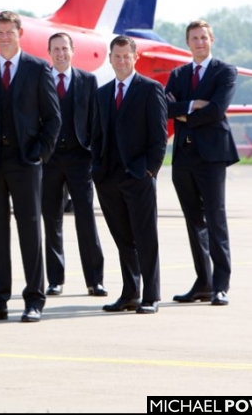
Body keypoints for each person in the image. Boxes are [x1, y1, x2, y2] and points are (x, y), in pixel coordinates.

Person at [0, 11, 61, 323]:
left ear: (20, 33)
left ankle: (34, 299)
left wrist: (39, 155)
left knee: (30, 232)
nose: (4, 37)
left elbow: (53, 118)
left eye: (9, 31)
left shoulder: (38, 69)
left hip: (25, 163)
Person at [165, 20, 239, 307]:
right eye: (194, 38)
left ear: (212, 40)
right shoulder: (178, 73)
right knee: (194, 221)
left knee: (215, 220)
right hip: (183, 157)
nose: (199, 42)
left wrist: (185, 110)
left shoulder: (225, 72)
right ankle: (203, 282)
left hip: (212, 157)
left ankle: (221, 284)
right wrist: (194, 105)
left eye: (204, 37)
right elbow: (166, 107)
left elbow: (217, 110)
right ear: (187, 43)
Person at [91, 35, 167, 314]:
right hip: (108, 178)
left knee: (146, 238)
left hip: (138, 176)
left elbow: (159, 137)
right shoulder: (102, 93)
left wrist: (149, 171)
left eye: (126, 56)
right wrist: (96, 169)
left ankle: (151, 295)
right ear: (109, 59)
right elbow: (96, 135)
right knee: (123, 239)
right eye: (117, 56)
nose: (121, 61)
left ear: (135, 58)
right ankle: (130, 292)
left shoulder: (150, 89)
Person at [41, 32, 107, 298]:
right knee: (51, 220)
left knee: (86, 219)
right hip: (50, 161)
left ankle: (95, 280)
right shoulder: (40, 80)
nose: (60, 53)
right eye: (55, 49)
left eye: (64, 48)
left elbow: (96, 119)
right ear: (49, 52)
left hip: (80, 159)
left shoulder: (88, 80)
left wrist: (93, 154)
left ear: (72, 50)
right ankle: (55, 280)